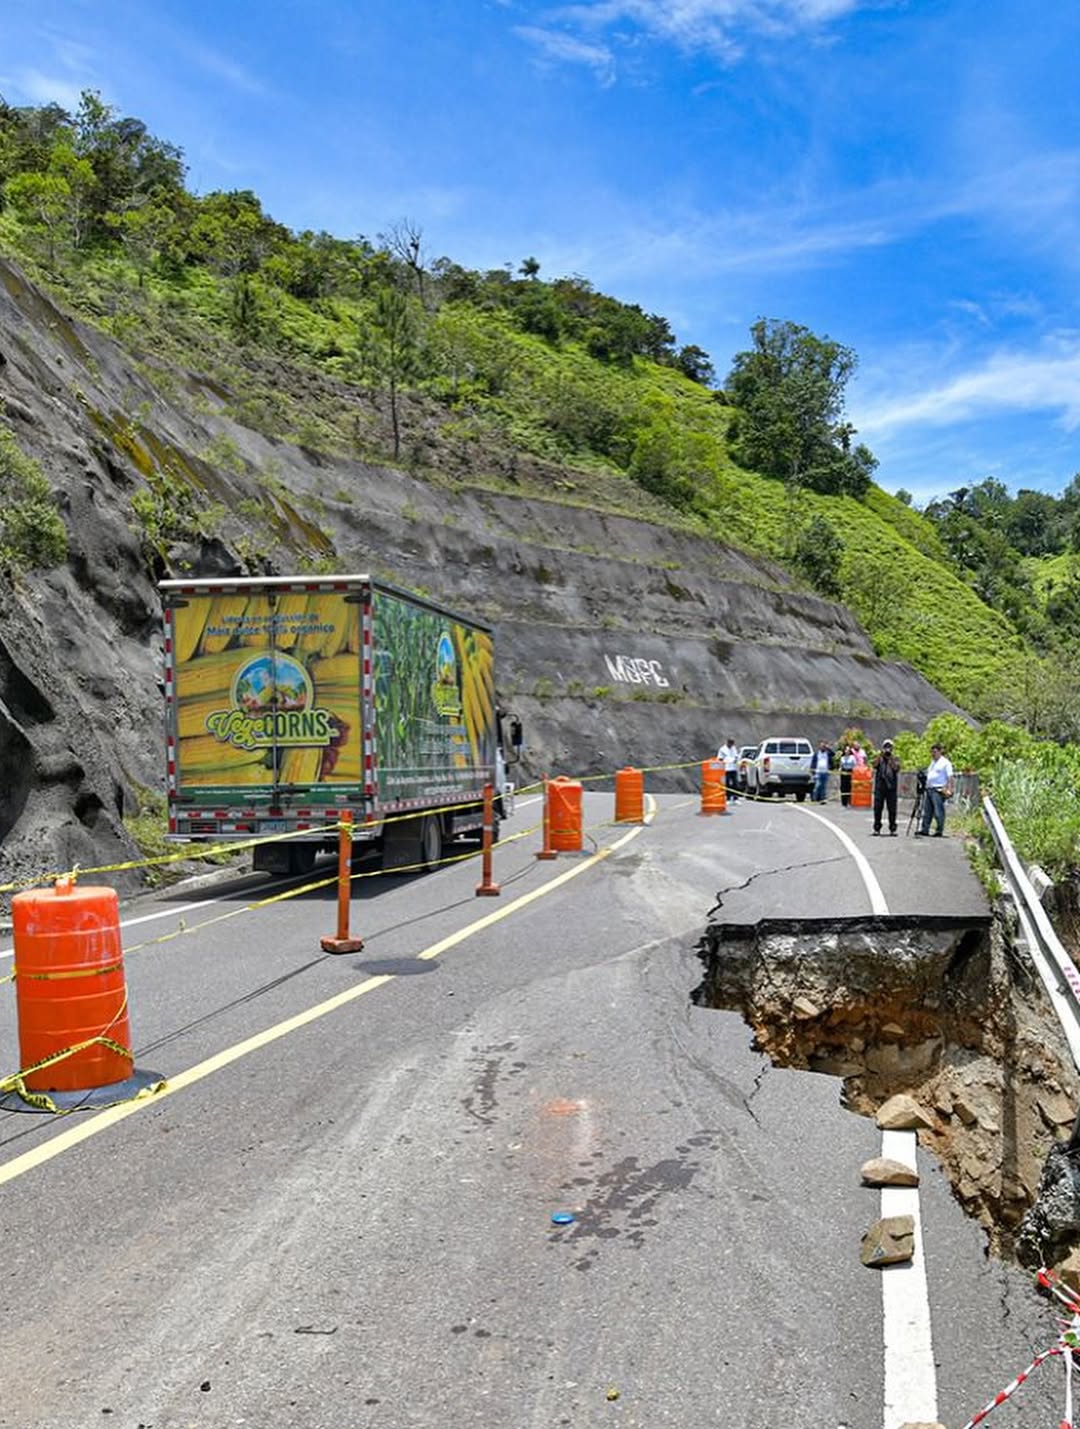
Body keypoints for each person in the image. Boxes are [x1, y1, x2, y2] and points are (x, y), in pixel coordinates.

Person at [916, 743, 954, 837]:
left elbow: (950, 777)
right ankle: (925, 829)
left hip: (939, 789)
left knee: (938, 811)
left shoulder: (945, 763)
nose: (933, 754)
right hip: (929, 789)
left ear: (940, 751)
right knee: (927, 810)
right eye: (932, 752)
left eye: (935, 752)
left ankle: (939, 830)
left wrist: (950, 789)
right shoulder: (933, 762)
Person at [871, 739, 901, 836]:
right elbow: (874, 765)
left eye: (889, 747)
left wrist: (890, 758)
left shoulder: (895, 758)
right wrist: (881, 755)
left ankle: (892, 829)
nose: (887, 749)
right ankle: (877, 828)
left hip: (891, 788)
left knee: (892, 809)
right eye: (886, 747)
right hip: (880, 788)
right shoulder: (879, 757)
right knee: (877, 808)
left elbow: (896, 768)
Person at [718, 737, 740, 803]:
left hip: (733, 768)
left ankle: (735, 798)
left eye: (732, 744)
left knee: (735, 784)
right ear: (727, 742)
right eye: (730, 743)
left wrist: (735, 759)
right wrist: (726, 761)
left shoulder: (734, 748)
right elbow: (720, 759)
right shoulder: (722, 749)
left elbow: (736, 756)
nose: (731, 745)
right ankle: (728, 798)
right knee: (727, 784)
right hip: (726, 769)